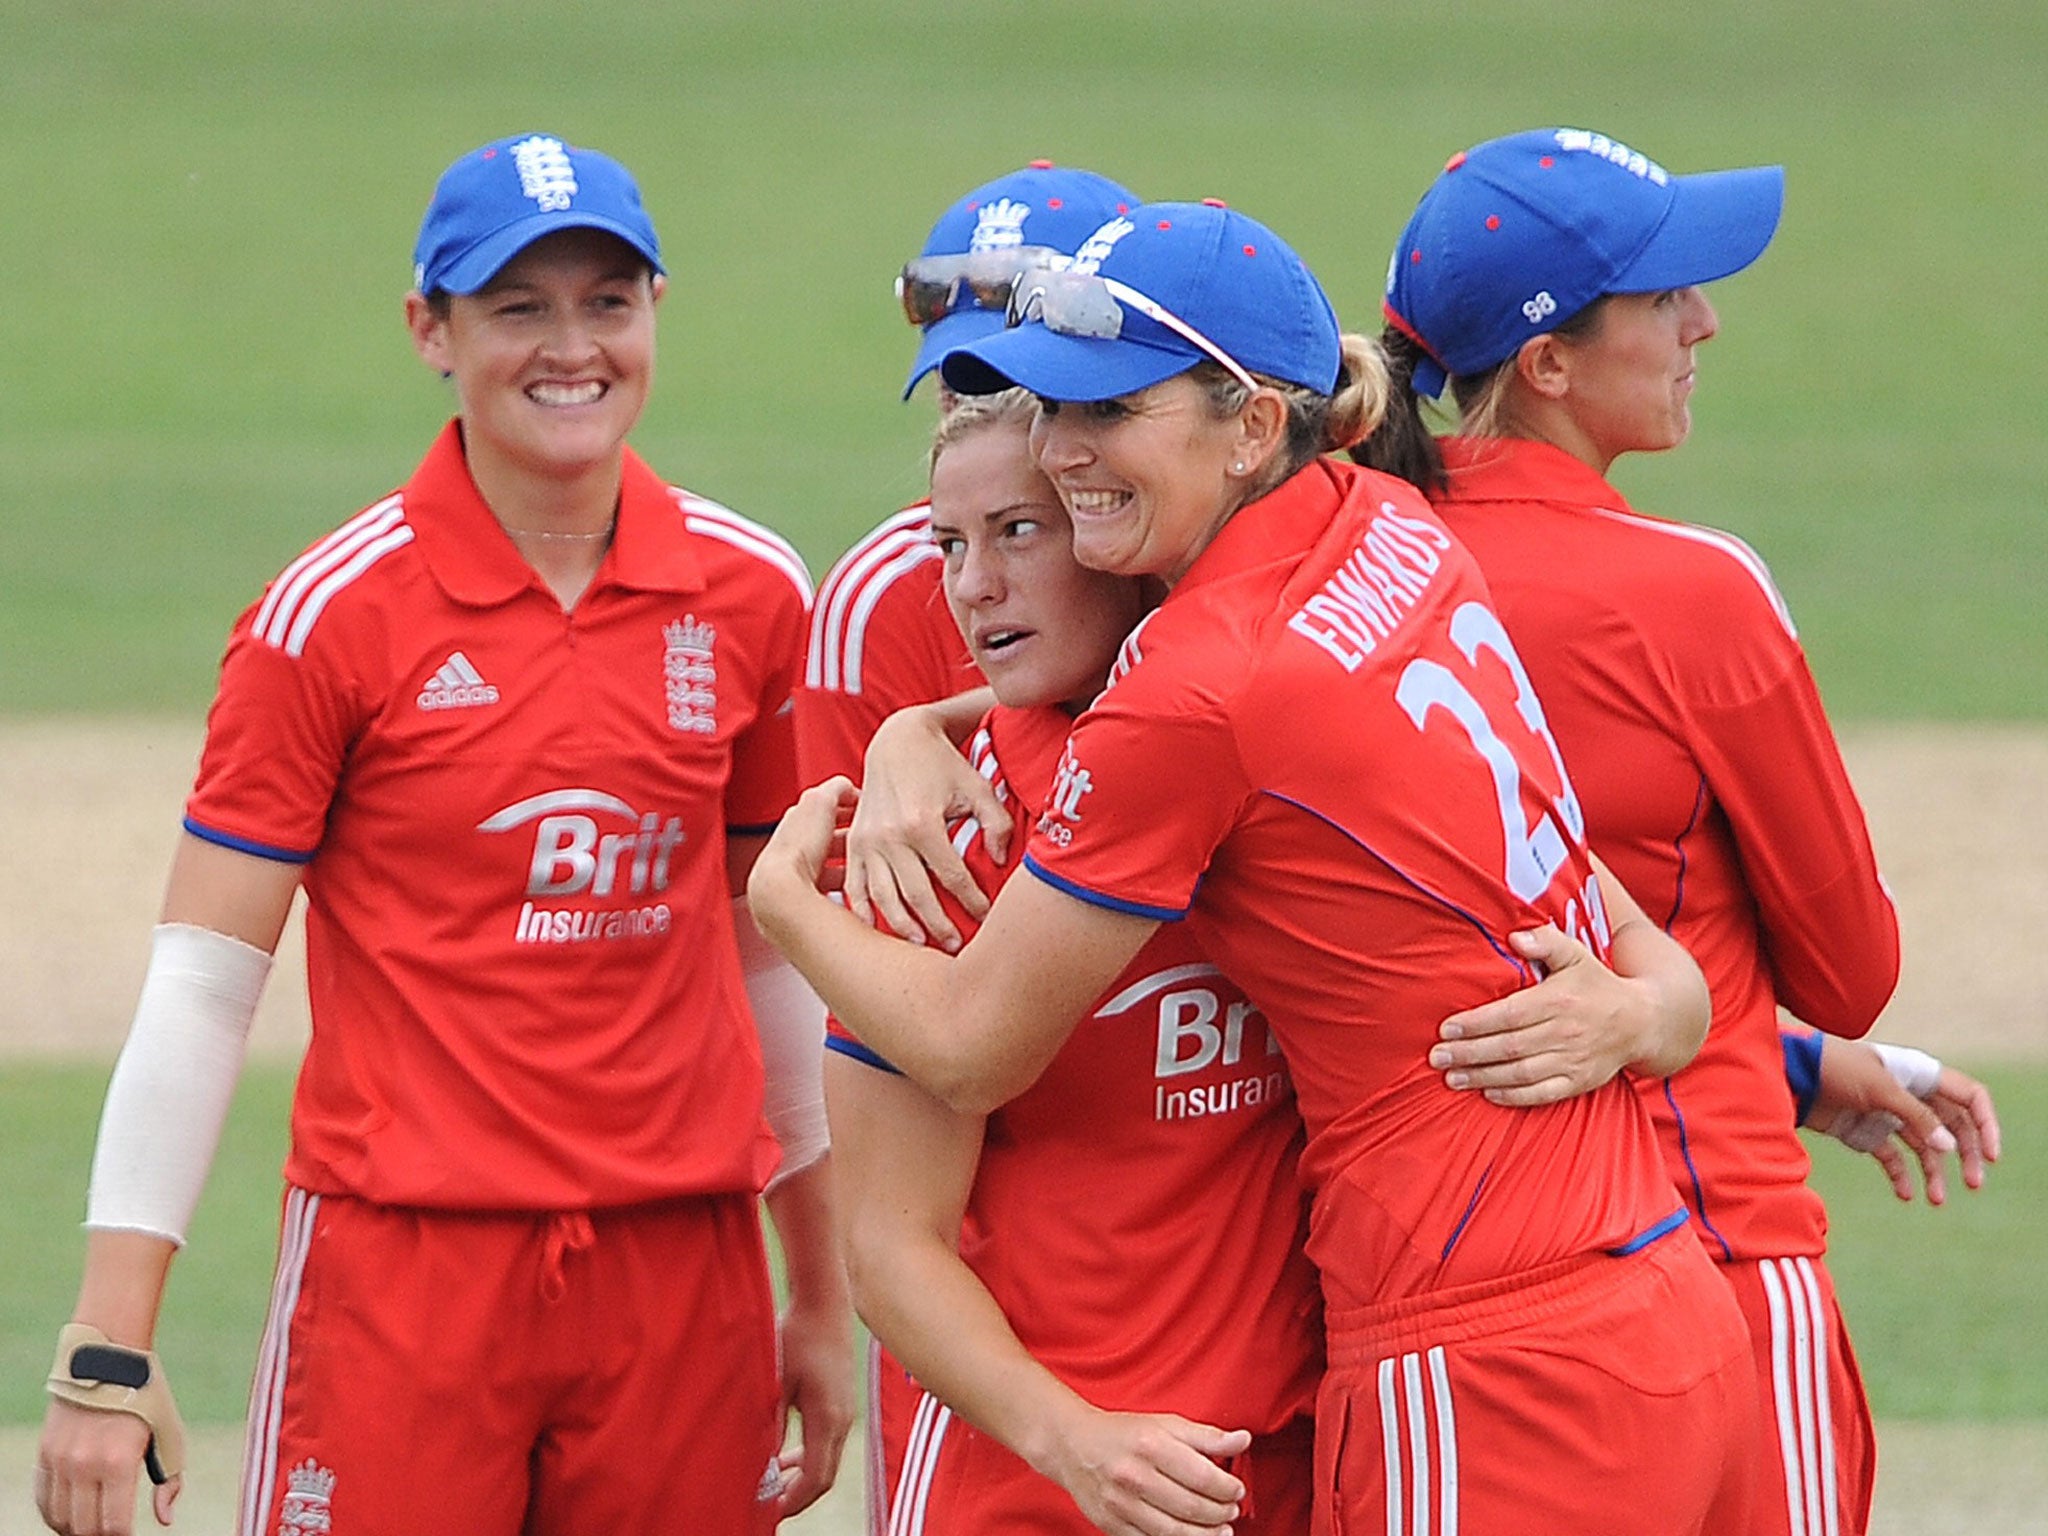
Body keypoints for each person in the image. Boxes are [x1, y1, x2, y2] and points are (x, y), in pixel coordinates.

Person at [752, 201, 1759, 1535]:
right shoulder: (1381, 528)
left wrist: (776, 897)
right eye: (954, 538)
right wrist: (1655, 1007)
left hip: (1471, 1361)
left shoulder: (1190, 707)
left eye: (1042, 512)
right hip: (1639, 1306)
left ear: (1252, 429)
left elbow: (976, 1040)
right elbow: (892, 1234)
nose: (1068, 455)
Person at [34, 133, 851, 1536]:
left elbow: (767, 957)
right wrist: (109, 1350)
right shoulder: (328, 620)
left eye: (609, 300)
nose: (572, 347)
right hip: (400, 1281)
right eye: (517, 307)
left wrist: (823, 1294)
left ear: (659, 312)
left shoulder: (756, 593)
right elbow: (203, 983)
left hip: (685, 1275)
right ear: (431, 330)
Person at [1361, 125, 2001, 1536]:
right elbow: (1849, 964)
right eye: (1664, 299)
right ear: (1549, 364)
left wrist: (1789, 1062)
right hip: (1709, 1260)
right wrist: (1789, 1039)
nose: (1704, 320)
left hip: (1435, 1299)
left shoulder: (1333, 574)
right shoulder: (1689, 592)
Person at [830, 388, 1321, 1534]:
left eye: (1018, 529)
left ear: (1115, 529)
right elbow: (887, 1245)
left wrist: (1657, 998)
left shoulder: (1276, 763)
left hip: (1288, 1465)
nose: (971, 584)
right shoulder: (939, 848)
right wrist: (1075, 1442)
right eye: (949, 544)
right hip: (1042, 1489)